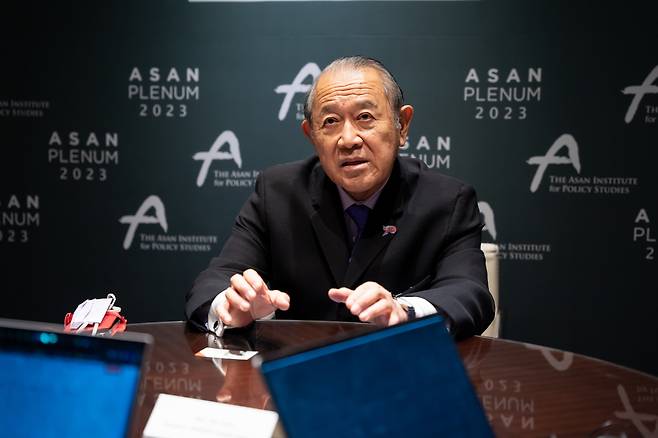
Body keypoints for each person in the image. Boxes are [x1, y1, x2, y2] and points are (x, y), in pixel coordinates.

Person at [186, 56, 494, 339]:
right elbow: (214, 281)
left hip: (400, 376)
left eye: (365, 117)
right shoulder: (277, 193)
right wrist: (230, 307)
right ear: (312, 135)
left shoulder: (447, 201)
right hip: (299, 376)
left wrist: (405, 312)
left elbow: (470, 294)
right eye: (330, 122)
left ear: (403, 125)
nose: (348, 140)